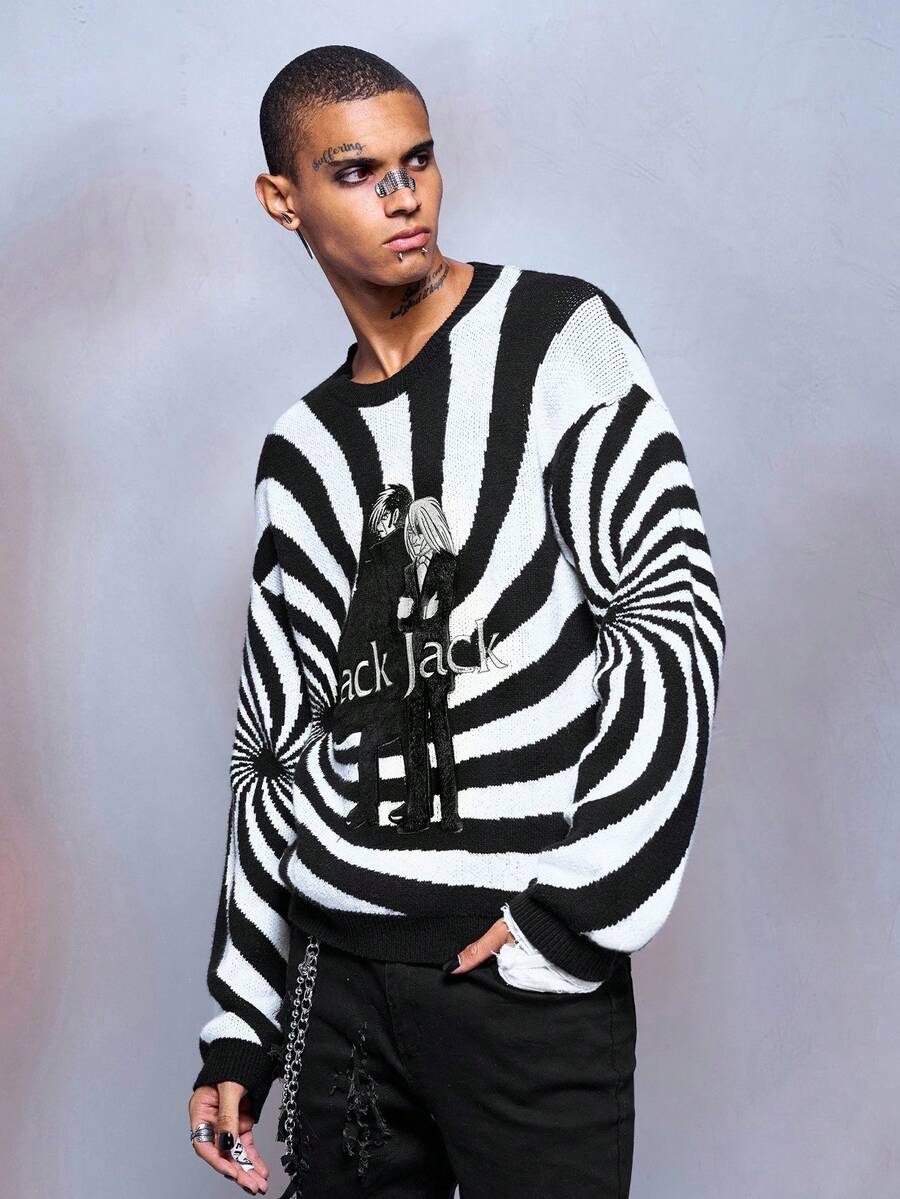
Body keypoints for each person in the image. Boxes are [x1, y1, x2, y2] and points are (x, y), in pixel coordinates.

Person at [188, 44, 727, 1199]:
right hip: (340, 978)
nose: (403, 195)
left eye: (418, 160)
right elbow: (273, 744)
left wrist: (575, 918)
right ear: (283, 197)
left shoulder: (556, 336)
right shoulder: (302, 448)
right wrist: (242, 1025)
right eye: (357, 171)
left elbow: (670, 612)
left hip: (515, 975)